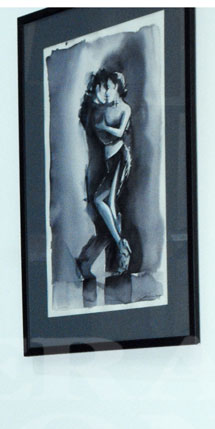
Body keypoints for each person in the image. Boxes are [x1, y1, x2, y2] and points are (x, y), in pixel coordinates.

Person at [74, 68, 133, 288]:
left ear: (118, 88)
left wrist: (104, 127)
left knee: (103, 203)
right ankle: (116, 253)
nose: (107, 92)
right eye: (103, 88)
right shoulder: (101, 108)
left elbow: (119, 132)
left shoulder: (124, 108)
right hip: (108, 162)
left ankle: (121, 247)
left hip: (119, 159)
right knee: (106, 209)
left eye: (110, 87)